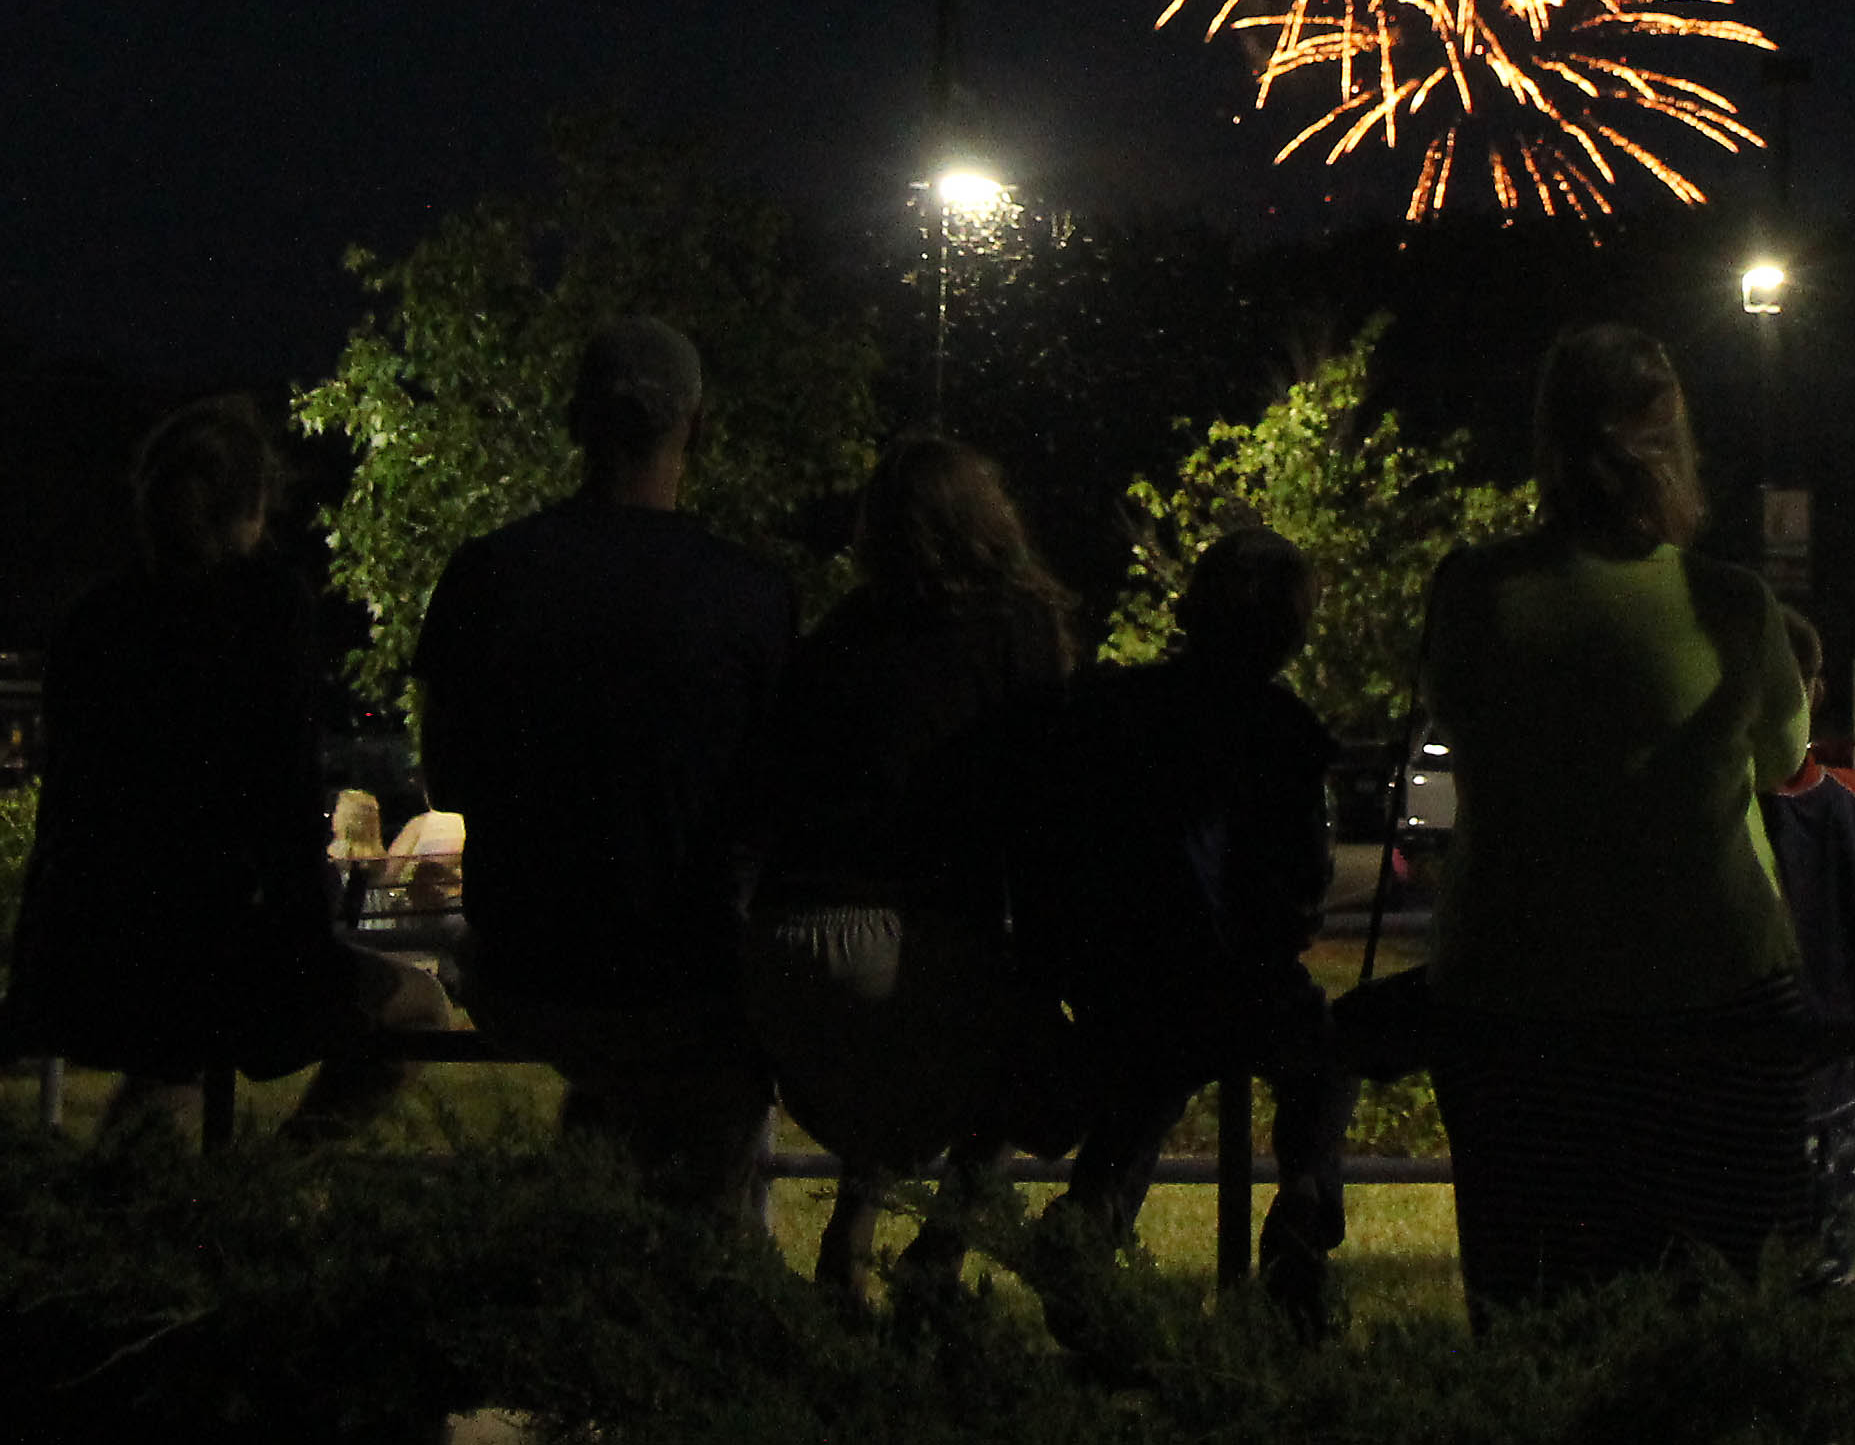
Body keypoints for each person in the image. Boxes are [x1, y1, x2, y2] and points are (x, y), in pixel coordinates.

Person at [1417, 324, 1817, 1321]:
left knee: (1534, 1299)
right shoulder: (1728, 602)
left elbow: (1458, 717)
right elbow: (1787, 761)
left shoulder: (1473, 590)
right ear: (1673, 437)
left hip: (1513, 989)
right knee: (1715, 1298)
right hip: (1712, 982)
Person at [415, 318, 798, 1232]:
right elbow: (771, 803)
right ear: (697, 428)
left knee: (614, 1086)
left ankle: (582, 1231)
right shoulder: (753, 593)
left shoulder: (488, 574)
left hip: (526, 966)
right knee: (712, 1123)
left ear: (573, 420)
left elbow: (448, 779)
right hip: (685, 974)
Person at [1, 397, 451, 1141]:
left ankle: (133, 1205)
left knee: (166, 1064)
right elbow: (278, 801)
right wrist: (307, 944)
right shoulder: (263, 610)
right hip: (225, 953)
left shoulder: (97, 619)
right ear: (256, 504)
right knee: (421, 1008)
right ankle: (276, 1176)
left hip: (91, 949)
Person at [737, 436, 1077, 1303]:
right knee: (1041, 1068)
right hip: (909, 935)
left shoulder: (835, 639)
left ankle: (848, 1249)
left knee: (891, 1061)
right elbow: (1044, 805)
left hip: (781, 948)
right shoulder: (1016, 629)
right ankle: (940, 1251)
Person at [1026, 527, 1357, 1339]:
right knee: (1326, 1055)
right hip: (1244, 981)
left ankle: (1093, 1221)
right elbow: (1304, 882)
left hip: (1132, 976)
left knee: (1141, 1086)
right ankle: (1305, 1204)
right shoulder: (1286, 729)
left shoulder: (1117, 706)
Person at [1759, 607, 1855, 1289]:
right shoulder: (1849, 806)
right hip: (1824, 1094)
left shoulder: (1715, 802)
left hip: (1726, 1084)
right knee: (1823, 1286)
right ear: (1815, 690)